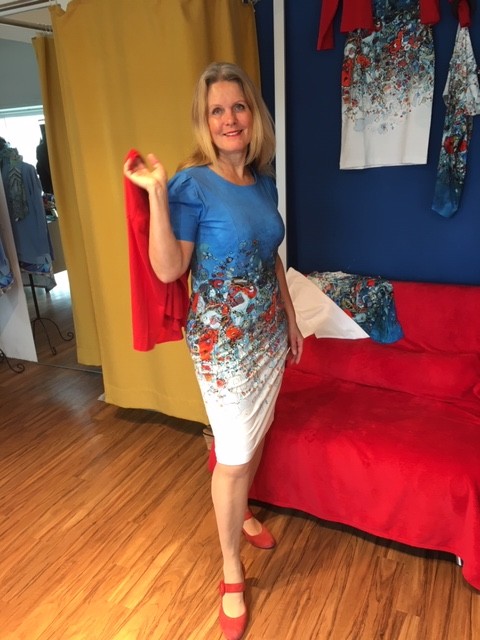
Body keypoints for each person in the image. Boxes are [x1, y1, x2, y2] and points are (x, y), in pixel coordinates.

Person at [123, 61, 303, 640]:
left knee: (254, 436)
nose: (229, 119)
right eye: (216, 110)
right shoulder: (190, 185)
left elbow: (270, 254)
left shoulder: (263, 181)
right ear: (204, 121)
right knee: (234, 454)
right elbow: (169, 268)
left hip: (267, 338)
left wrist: (290, 317)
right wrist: (157, 194)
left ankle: (243, 510)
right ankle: (230, 570)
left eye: (238, 107)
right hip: (222, 348)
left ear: (253, 115)